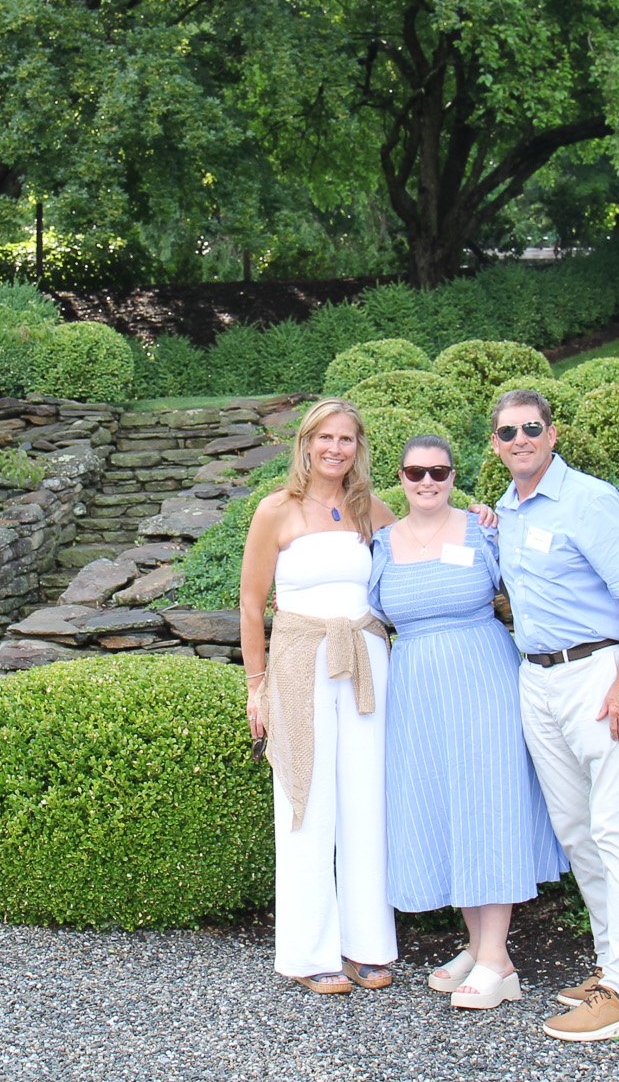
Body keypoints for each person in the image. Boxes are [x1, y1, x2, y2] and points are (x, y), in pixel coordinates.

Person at [370, 435, 567, 1012]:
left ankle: (497, 959)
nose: (427, 482)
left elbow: (534, 588)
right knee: (446, 805)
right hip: (417, 692)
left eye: (439, 471)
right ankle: (477, 944)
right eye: (415, 472)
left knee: (487, 802)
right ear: (400, 478)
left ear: (454, 476)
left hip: (483, 680)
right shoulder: (381, 542)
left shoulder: (485, 529)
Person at [489, 388, 619, 1043]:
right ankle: (612, 962)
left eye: (531, 427)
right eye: (508, 432)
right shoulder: (506, 511)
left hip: (596, 674)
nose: (521, 439)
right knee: (576, 826)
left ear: (552, 434)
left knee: (616, 824)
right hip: (536, 677)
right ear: (497, 445)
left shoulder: (591, 499)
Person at [239, 397, 399, 994]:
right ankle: (309, 952)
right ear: (305, 443)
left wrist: (481, 523)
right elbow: (253, 605)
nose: (335, 448)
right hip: (300, 661)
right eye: (324, 437)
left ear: (359, 449)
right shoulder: (275, 511)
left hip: (364, 663)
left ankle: (367, 945)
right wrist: (257, 686)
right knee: (305, 798)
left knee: (365, 798)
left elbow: (427, 541)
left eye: (347, 439)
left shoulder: (371, 512)